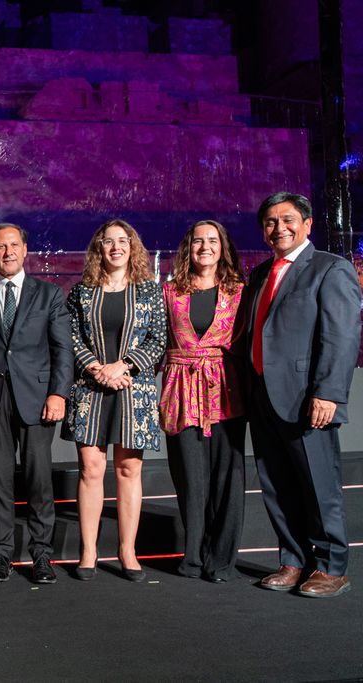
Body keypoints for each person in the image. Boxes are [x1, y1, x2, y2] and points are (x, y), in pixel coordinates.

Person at [243, 192, 361, 598]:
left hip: (307, 398)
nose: (280, 228)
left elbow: (341, 337)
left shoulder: (330, 269)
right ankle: (294, 560)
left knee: (318, 484)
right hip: (262, 397)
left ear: (308, 224)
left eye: (288, 219)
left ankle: (330, 567)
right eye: (271, 222)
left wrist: (328, 393)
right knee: (276, 483)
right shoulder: (260, 274)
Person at [0, 223, 73, 584]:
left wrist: (58, 393)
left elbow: (63, 350)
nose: (8, 252)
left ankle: (42, 556)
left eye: (14, 245)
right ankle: (1, 555)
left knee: (39, 481)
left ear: (25, 249)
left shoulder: (50, 295)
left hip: (38, 400)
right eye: (0, 246)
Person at [63, 219, 165, 582]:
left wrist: (122, 366)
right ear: (99, 249)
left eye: (123, 241)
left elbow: (157, 339)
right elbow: (70, 337)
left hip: (132, 390)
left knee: (128, 470)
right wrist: (96, 369)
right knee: (91, 470)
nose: (116, 247)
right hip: (91, 391)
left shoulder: (150, 291)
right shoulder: (81, 292)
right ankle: (89, 551)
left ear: (132, 247)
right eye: (109, 242)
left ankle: (127, 551)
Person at [160, 220, 247, 583]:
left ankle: (222, 560)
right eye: (198, 241)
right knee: (190, 479)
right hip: (180, 389)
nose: (205, 247)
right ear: (188, 247)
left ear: (223, 247)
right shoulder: (169, 292)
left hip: (226, 389)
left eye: (212, 241)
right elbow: (156, 340)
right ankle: (193, 556)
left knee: (228, 477)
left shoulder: (240, 292)